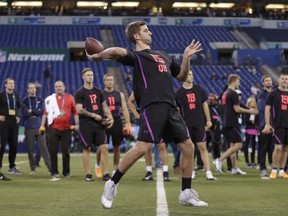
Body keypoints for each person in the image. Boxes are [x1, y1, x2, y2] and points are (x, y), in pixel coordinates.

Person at [87, 21, 207, 208]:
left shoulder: (163, 56)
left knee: (188, 147)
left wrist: (186, 57)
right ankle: (112, 183)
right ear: (136, 36)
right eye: (145, 30)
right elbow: (118, 51)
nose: (149, 32)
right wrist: (100, 56)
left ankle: (186, 192)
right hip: (152, 105)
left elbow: (182, 76)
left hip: (171, 105)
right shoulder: (137, 56)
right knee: (143, 148)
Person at [175, 70, 216, 180]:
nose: (191, 76)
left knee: (203, 147)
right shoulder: (178, 93)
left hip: (199, 123)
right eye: (189, 74)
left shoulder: (199, 89)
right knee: (190, 148)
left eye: (192, 74)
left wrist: (208, 120)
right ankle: (191, 171)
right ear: (183, 76)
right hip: (186, 124)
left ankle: (208, 172)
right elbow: (177, 110)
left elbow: (205, 105)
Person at [75, 67, 114, 182]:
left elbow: (105, 107)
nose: (90, 77)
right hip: (86, 123)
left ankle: (106, 173)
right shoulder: (79, 92)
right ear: (83, 77)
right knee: (86, 147)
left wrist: (110, 117)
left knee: (104, 147)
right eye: (88, 75)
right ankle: (88, 174)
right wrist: (93, 115)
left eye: (91, 75)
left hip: (99, 124)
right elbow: (79, 109)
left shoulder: (99, 92)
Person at [214, 74, 258, 175]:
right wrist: (250, 111)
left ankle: (234, 168)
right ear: (233, 81)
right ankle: (219, 160)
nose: (239, 83)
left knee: (232, 145)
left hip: (225, 122)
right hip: (232, 122)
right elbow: (237, 109)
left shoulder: (225, 93)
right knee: (238, 145)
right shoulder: (233, 93)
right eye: (238, 81)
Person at [95, 73, 132, 177]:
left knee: (117, 146)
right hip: (105, 122)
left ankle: (116, 168)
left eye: (111, 80)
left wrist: (128, 123)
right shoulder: (100, 94)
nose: (110, 81)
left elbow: (124, 109)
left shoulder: (119, 94)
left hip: (117, 121)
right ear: (104, 81)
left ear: (114, 81)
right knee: (102, 146)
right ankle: (98, 165)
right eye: (108, 80)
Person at [127, 92, 171, 181]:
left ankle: (165, 172)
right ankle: (149, 171)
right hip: (147, 120)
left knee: (162, 145)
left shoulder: (160, 85)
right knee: (147, 147)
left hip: (160, 119)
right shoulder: (141, 85)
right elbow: (130, 101)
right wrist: (137, 115)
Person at [40, 80, 79, 181]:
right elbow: (45, 113)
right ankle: (54, 172)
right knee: (52, 151)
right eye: (56, 86)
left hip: (66, 129)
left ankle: (66, 172)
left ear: (64, 87)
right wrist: (42, 125)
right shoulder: (50, 99)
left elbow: (75, 112)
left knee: (65, 151)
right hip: (53, 128)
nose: (58, 88)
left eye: (60, 86)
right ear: (55, 88)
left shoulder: (70, 97)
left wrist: (77, 124)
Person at [262, 72, 288, 179]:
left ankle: (281, 171)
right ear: (278, 80)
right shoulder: (273, 94)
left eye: (286, 79)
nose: (284, 81)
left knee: (286, 148)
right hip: (278, 124)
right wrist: (268, 124)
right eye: (282, 79)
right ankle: (274, 169)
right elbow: (267, 109)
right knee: (278, 147)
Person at [22, 83, 51, 174]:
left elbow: (42, 112)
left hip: (39, 126)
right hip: (29, 127)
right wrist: (36, 112)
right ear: (27, 90)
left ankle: (50, 168)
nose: (32, 90)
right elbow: (25, 113)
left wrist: (32, 111)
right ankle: (32, 168)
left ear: (35, 89)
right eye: (30, 88)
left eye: (34, 88)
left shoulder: (40, 99)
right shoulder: (25, 100)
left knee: (44, 148)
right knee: (30, 149)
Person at [0, 77, 22, 174]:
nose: (11, 85)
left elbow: (19, 106)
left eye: (13, 83)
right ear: (5, 85)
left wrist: (18, 115)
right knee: (1, 146)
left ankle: (12, 167)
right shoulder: (1, 95)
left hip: (14, 124)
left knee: (14, 146)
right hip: (3, 124)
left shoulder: (15, 95)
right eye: (9, 83)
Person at [257, 75, 274, 179]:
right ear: (263, 83)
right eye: (266, 81)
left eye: (270, 80)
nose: (268, 82)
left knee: (273, 147)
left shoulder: (274, 93)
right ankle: (262, 169)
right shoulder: (261, 94)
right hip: (264, 124)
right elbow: (263, 108)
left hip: (276, 124)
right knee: (263, 147)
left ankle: (273, 166)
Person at [243, 96, 259, 168]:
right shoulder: (247, 110)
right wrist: (252, 121)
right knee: (247, 144)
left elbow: (258, 120)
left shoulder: (256, 111)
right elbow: (246, 120)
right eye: (251, 102)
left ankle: (252, 161)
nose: (253, 103)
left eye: (254, 102)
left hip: (255, 129)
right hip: (249, 128)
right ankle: (247, 161)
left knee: (253, 145)